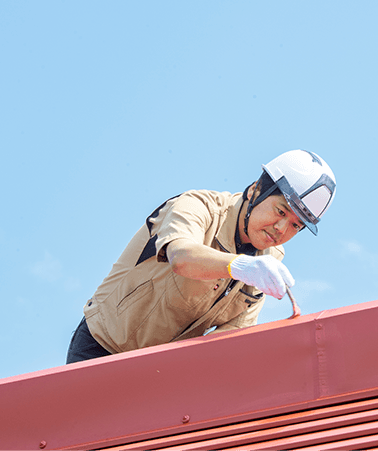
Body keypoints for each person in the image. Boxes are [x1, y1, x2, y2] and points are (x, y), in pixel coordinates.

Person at [66, 149, 336, 363]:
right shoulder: (199, 207)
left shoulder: (269, 259)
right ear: (256, 190)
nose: (281, 229)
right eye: (280, 211)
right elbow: (182, 257)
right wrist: (240, 266)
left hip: (157, 371)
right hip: (102, 346)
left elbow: (233, 332)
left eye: (295, 225)